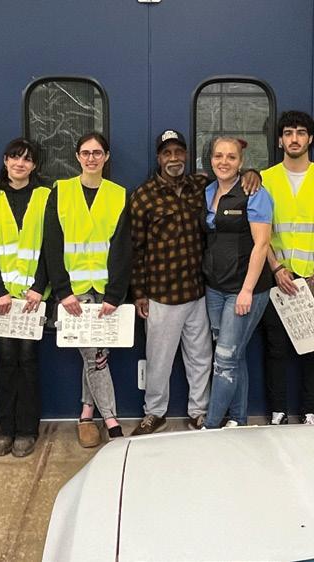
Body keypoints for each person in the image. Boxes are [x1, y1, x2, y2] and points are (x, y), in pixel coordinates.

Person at [129, 130, 261, 434]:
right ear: (159, 158)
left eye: (179, 152)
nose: (174, 158)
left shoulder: (200, 187)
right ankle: (155, 413)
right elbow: (135, 249)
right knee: (158, 361)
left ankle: (199, 412)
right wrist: (139, 293)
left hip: (199, 291)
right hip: (161, 294)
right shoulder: (143, 196)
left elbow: (233, 180)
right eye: (167, 153)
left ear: (186, 156)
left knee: (201, 358)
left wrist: (252, 173)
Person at [43, 132, 131, 448]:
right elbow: (52, 245)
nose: (91, 158)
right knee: (95, 356)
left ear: (106, 157)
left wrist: (115, 294)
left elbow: (123, 248)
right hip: (74, 293)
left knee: (96, 355)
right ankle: (112, 420)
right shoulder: (61, 191)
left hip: (106, 292)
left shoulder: (119, 194)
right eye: (85, 153)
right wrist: (62, 291)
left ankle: (86, 414)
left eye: (97, 153)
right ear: (77, 156)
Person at [259, 111, 314, 426]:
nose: (294, 138)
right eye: (288, 133)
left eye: (301, 132)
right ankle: (278, 412)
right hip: (277, 278)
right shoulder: (266, 179)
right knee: (276, 349)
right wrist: (277, 269)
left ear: (311, 138)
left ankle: (309, 412)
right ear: (280, 140)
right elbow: (261, 233)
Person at [0, 138, 49, 457]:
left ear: (34, 165)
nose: (20, 164)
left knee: (29, 362)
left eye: (27, 159)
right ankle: (4, 429)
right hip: (1, 300)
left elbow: (51, 246)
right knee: (6, 361)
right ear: (5, 160)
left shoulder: (46, 195)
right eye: (15, 157)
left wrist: (39, 286)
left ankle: (27, 430)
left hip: (33, 297)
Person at [202, 137, 274, 429]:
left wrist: (246, 290)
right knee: (234, 354)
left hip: (244, 290)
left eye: (231, 157)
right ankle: (238, 419)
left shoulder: (254, 193)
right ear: (211, 160)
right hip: (214, 288)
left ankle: (210, 427)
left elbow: (262, 244)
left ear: (241, 162)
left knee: (225, 359)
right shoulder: (208, 191)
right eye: (218, 156)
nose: (224, 162)